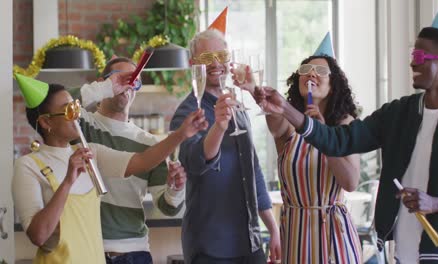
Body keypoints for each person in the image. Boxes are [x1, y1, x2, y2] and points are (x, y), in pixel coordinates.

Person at [254, 26, 438, 263]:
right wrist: (285, 108)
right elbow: (341, 141)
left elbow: (349, 179)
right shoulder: (398, 112)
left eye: (419, 57)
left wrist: (436, 203)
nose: (412, 64)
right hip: (397, 251)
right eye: (411, 56)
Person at [12, 74, 207, 264]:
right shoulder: (28, 166)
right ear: (46, 122)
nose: (77, 115)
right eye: (69, 110)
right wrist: (67, 182)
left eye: (77, 107)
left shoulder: (90, 153)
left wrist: (181, 134)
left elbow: (141, 160)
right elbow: (38, 236)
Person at [236, 43, 362, 262]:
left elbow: (350, 182)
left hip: (333, 236)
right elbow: (273, 115)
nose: (311, 74)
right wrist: (255, 89)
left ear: (333, 85)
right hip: (295, 234)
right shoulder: (288, 125)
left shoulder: (345, 124)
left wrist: (322, 136)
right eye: (305, 70)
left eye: (321, 71)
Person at [169, 29, 281, 264]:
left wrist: (273, 228)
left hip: (250, 241)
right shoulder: (187, 112)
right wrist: (219, 126)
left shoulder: (238, 107)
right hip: (210, 245)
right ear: (193, 64)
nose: (215, 63)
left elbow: (253, 171)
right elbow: (196, 163)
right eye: (206, 58)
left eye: (220, 55)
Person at [73, 57, 187, 264]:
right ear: (104, 82)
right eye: (120, 79)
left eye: (134, 81)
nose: (127, 86)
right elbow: (55, 105)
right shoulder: (82, 124)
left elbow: (169, 208)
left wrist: (175, 188)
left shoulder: (150, 144)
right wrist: (105, 88)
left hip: (135, 254)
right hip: (87, 250)